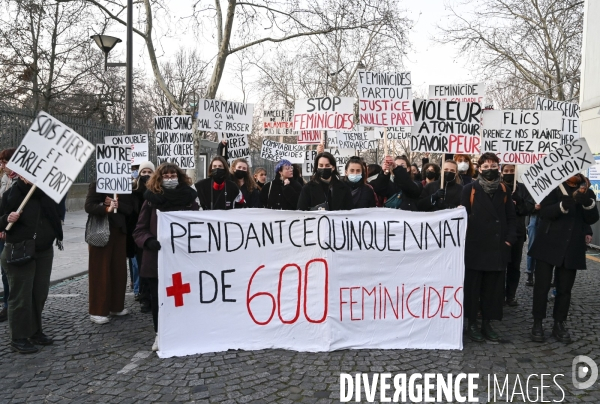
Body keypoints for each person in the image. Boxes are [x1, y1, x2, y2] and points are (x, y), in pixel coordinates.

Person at [134, 163, 198, 351]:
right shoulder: (151, 200)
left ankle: (183, 332)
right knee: (159, 299)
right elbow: (139, 230)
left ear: (179, 176)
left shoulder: (189, 199)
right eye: (166, 175)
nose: (170, 178)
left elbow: (198, 225)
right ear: (159, 178)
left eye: (173, 175)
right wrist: (148, 241)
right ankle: (160, 334)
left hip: (182, 259)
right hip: (158, 260)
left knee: (184, 298)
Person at [528, 173, 599, 343]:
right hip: (548, 243)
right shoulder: (551, 185)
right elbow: (544, 212)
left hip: (572, 245)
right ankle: (537, 323)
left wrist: (587, 203)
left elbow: (592, 218)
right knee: (541, 286)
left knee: (565, 289)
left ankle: (559, 323)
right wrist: (561, 206)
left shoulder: (586, 189)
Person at [0, 175, 63, 353]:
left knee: (39, 293)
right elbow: (1, 220)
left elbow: (56, 215)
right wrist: (7, 219)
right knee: (21, 296)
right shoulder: (11, 194)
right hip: (20, 249)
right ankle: (18, 337)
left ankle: (35, 331)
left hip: (43, 250)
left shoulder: (47, 194)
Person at [461, 153, 516, 342]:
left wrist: (509, 240)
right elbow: (461, 218)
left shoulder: (504, 189)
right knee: (473, 288)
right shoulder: (469, 189)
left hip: (497, 248)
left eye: (493, 166)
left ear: (498, 168)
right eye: (486, 167)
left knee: (492, 290)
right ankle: (472, 324)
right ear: (479, 168)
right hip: (475, 247)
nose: (489, 170)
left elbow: (511, 217)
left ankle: (487, 323)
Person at [85, 182, 133, 324]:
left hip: (119, 231)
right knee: (100, 271)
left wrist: (117, 204)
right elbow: (89, 206)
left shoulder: (125, 185)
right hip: (101, 231)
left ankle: (116, 306)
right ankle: (97, 310)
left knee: (119, 270)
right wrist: (107, 208)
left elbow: (130, 208)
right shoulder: (97, 183)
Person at [501, 164, 535, 306]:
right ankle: (497, 294)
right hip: (500, 233)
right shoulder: (498, 187)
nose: (509, 173)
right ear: (501, 172)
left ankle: (511, 295)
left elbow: (529, 208)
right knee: (499, 266)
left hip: (517, 232)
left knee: (514, 266)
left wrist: (519, 202)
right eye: (506, 171)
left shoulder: (523, 188)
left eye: (512, 171)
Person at [130, 161, 155, 312]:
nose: (146, 175)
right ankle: (144, 297)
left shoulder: (157, 191)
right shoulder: (133, 192)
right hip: (139, 235)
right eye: (143, 172)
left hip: (153, 234)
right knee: (141, 267)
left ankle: (152, 297)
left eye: (149, 172)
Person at [0, 147, 17, 322]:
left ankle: (11, 304)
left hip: (11, 232)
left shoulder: (21, 182)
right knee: (4, 271)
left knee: (10, 271)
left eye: (5, 161)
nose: (2, 165)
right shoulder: (4, 179)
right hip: (2, 229)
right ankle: (7, 303)